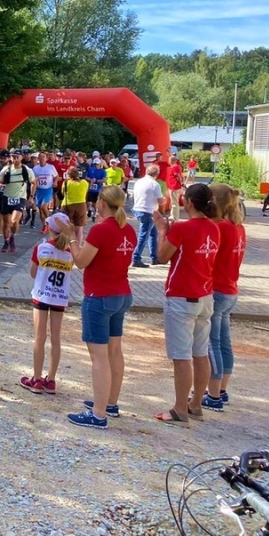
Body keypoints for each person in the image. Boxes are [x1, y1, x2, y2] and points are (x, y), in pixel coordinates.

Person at [65, 185, 137, 429]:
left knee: (99, 357)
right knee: (115, 351)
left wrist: (72, 237)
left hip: (99, 295)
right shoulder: (128, 229)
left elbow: (81, 262)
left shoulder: (100, 230)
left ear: (102, 204)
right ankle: (110, 402)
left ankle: (98, 414)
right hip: (121, 292)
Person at [152, 183, 219, 425]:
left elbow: (162, 256)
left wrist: (162, 230)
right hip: (205, 295)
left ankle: (180, 408)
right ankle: (195, 404)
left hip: (181, 296)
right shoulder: (214, 228)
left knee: (182, 357)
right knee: (200, 353)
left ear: (188, 202)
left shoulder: (182, 228)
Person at [19, 213, 74, 396]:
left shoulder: (41, 248)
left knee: (39, 338)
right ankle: (50, 380)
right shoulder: (70, 253)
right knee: (55, 339)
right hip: (59, 297)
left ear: (49, 228)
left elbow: (33, 274)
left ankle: (36, 378)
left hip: (42, 295)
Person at [202, 183, 246, 412]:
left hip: (216, 288)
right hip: (230, 289)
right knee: (224, 342)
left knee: (213, 343)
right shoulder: (238, 227)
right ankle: (222, 389)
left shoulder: (220, 228)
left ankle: (213, 393)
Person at [131, 163, 166, 268]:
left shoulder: (139, 182)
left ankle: (154, 257)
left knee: (152, 234)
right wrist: (165, 199)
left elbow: (133, 196)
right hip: (148, 211)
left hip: (138, 208)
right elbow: (160, 201)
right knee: (144, 235)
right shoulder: (155, 184)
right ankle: (136, 258)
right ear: (157, 174)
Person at [0, 150, 33, 253]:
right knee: (5, 223)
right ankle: (6, 241)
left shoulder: (26, 170)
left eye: (17, 157)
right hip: (7, 197)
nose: (15, 159)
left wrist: (31, 196)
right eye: (13, 157)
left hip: (20, 198)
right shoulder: (6, 169)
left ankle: (12, 237)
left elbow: (34, 182)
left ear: (21, 157)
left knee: (13, 221)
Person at [60, 167, 89, 244]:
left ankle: (67, 244)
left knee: (67, 227)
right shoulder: (84, 182)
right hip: (81, 205)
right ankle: (78, 247)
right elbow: (85, 193)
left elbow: (63, 193)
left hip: (68, 205)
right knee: (79, 228)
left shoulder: (66, 183)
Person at [32, 152, 58, 231]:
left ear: (46, 158)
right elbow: (33, 180)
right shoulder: (35, 168)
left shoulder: (51, 167)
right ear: (38, 159)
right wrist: (35, 181)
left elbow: (56, 176)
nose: (42, 158)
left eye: (43, 157)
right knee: (40, 210)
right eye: (40, 157)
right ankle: (44, 225)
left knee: (44, 206)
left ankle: (49, 221)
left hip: (48, 189)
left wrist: (55, 182)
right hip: (39, 190)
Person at [165, 155, 185, 221]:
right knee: (173, 202)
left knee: (174, 203)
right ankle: (172, 215)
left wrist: (181, 182)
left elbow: (178, 175)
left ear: (171, 161)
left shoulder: (174, 167)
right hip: (175, 186)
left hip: (174, 186)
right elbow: (181, 175)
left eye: (169, 160)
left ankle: (175, 217)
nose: (168, 161)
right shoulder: (178, 166)